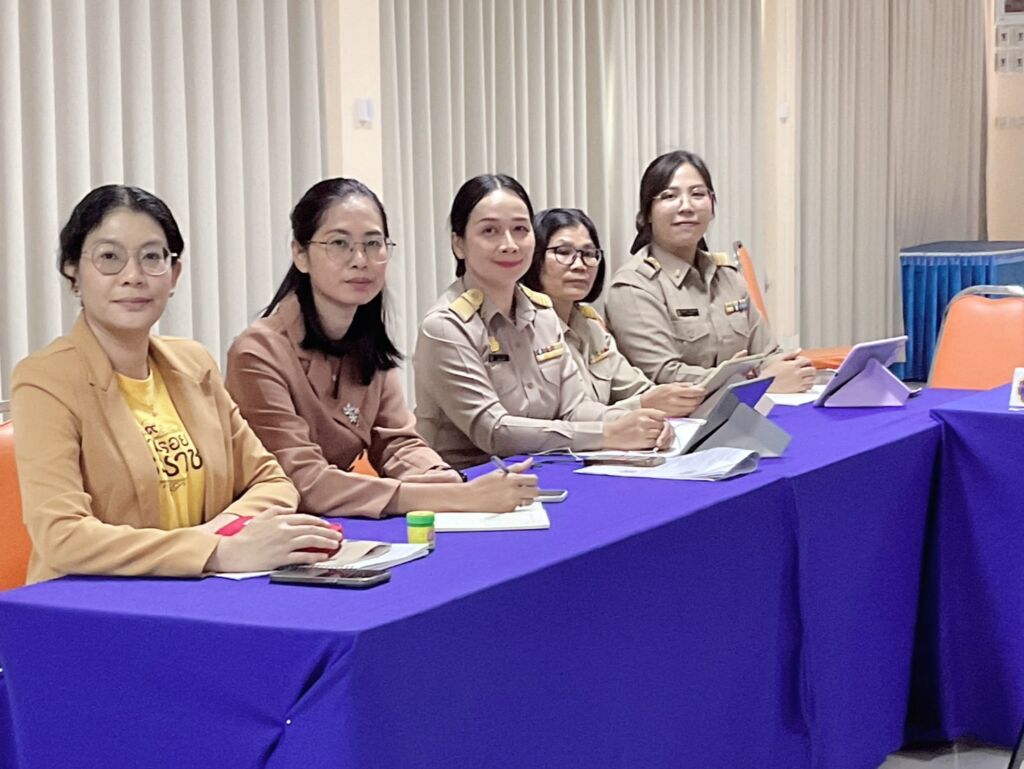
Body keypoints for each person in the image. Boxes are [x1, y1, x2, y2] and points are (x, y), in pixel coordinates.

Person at [11, 184, 341, 584]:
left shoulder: (193, 363)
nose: (133, 276)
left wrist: (217, 536)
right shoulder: (45, 379)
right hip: (91, 603)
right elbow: (62, 537)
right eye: (109, 257)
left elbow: (272, 482)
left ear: (174, 275)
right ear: (72, 272)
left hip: (199, 591)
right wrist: (213, 552)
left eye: (152, 257)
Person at [226, 178, 538, 515]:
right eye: (339, 243)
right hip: (280, 528)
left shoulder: (365, 341)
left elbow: (397, 441)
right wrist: (455, 498)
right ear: (300, 255)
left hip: (344, 521)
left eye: (373, 243)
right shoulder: (258, 353)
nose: (360, 259)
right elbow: (303, 481)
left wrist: (442, 477)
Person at [414, 174, 670, 470]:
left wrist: (641, 422)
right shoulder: (446, 326)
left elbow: (575, 409)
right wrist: (607, 434)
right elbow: (494, 432)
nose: (509, 244)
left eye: (520, 229)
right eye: (490, 231)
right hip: (470, 481)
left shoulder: (543, 313)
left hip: (547, 468)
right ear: (458, 244)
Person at [604, 151, 814, 393]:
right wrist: (758, 383)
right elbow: (663, 375)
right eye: (670, 196)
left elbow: (768, 353)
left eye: (698, 194)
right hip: (680, 414)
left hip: (745, 408)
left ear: (712, 207)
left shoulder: (728, 277)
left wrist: (789, 368)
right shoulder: (634, 286)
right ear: (647, 214)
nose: (686, 206)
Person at [521, 207, 706, 416]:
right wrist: (641, 406)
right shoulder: (525, 329)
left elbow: (636, 388)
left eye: (589, 254)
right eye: (563, 252)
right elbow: (569, 418)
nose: (580, 265)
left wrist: (670, 400)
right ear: (534, 257)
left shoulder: (591, 326)